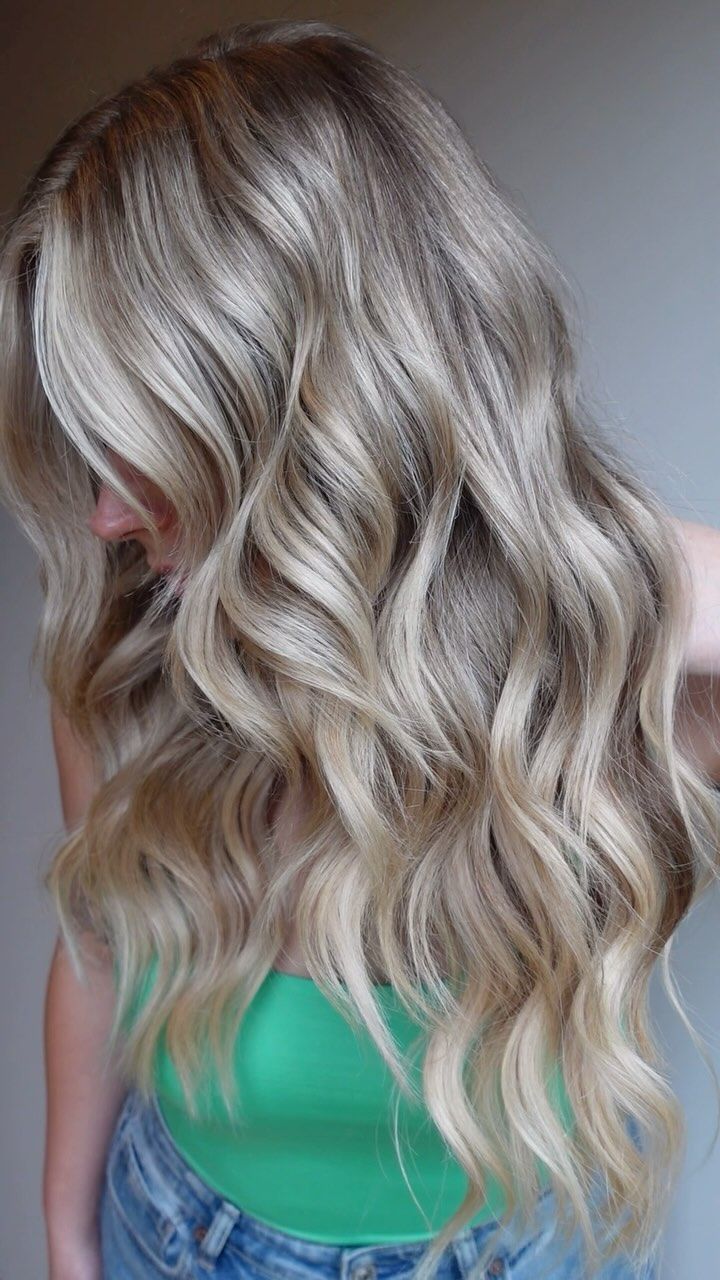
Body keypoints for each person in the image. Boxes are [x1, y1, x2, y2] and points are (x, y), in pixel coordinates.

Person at [0, 17, 718, 1280]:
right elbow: (99, 940)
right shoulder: (131, 640)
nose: (104, 516)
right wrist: (65, 1232)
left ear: (321, 405)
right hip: (171, 1231)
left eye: (152, 440)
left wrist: (570, 557)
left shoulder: (613, 649)